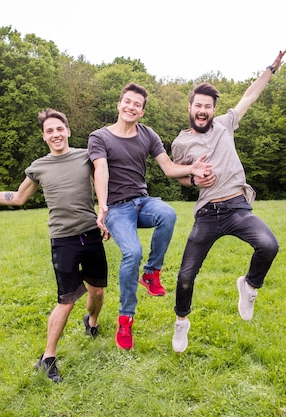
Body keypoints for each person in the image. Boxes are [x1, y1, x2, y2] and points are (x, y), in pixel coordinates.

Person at [0, 109, 108, 382]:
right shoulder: (38, 167)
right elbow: (17, 197)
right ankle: (47, 359)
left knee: (97, 292)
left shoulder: (86, 156)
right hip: (63, 239)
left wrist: (109, 217)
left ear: (68, 131)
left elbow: (106, 185)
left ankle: (92, 322)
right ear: (44, 136)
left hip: (91, 234)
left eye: (60, 129)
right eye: (50, 131)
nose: (56, 134)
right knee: (67, 300)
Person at [170, 49, 286, 353]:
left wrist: (270, 69)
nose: (203, 110)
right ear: (190, 108)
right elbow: (179, 176)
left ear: (213, 110)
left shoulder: (225, 124)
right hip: (207, 213)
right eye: (198, 105)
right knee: (185, 276)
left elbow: (249, 96)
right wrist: (194, 178)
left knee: (269, 245)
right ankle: (181, 321)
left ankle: (249, 286)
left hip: (236, 206)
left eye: (208, 106)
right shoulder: (181, 143)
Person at [88, 82, 212, 350]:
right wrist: (102, 207)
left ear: (142, 112)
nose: (131, 107)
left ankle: (151, 273)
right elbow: (100, 170)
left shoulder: (147, 135)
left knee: (167, 214)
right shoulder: (99, 137)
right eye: (128, 102)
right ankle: (125, 319)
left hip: (142, 202)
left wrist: (193, 169)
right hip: (116, 208)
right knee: (132, 252)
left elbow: (168, 168)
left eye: (137, 105)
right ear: (119, 104)